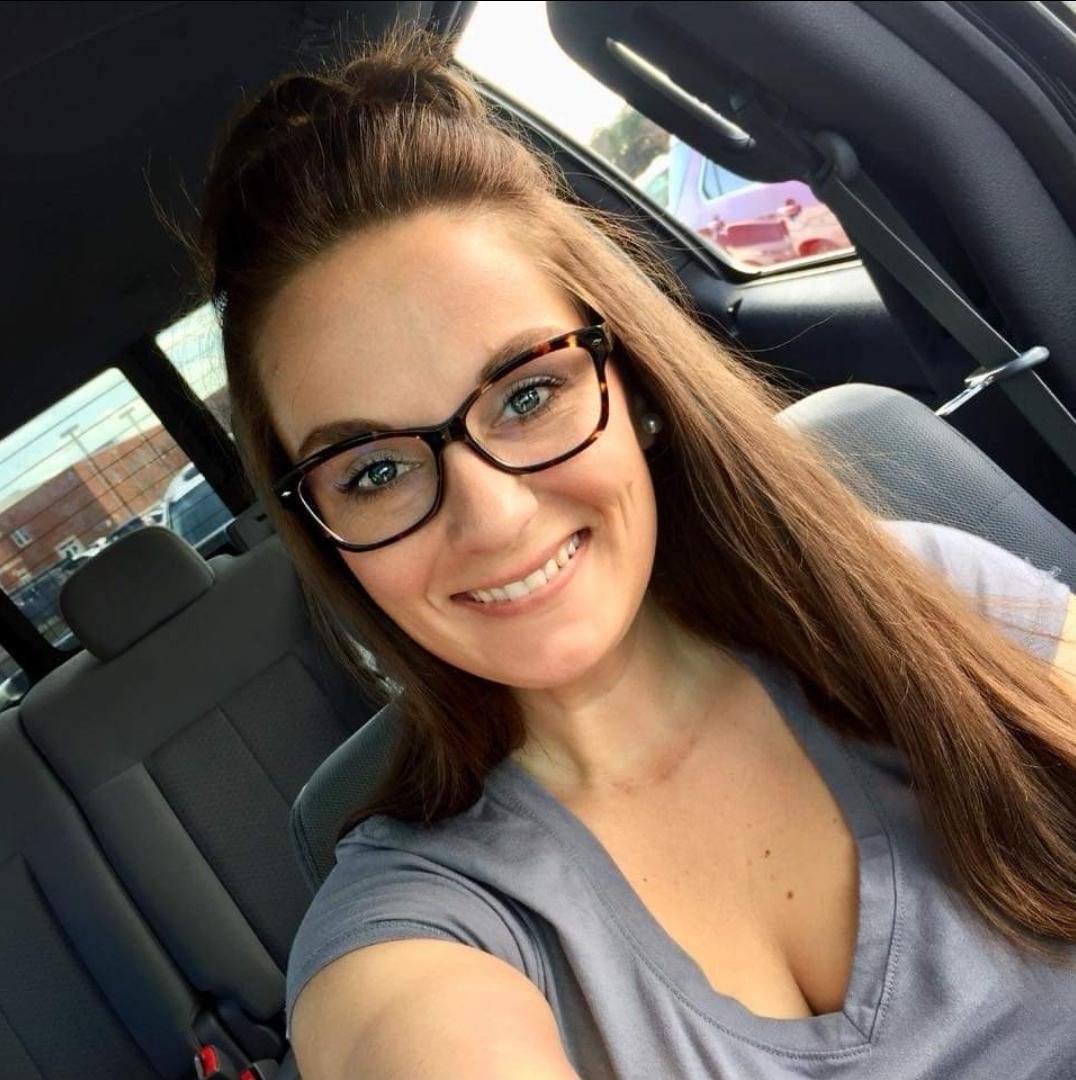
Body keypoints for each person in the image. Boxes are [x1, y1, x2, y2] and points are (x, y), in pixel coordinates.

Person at [194, 24, 1076, 1080]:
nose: (493, 518)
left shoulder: (920, 592)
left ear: (636, 389)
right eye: (374, 471)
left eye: (528, 394)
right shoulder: (417, 927)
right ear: (327, 538)